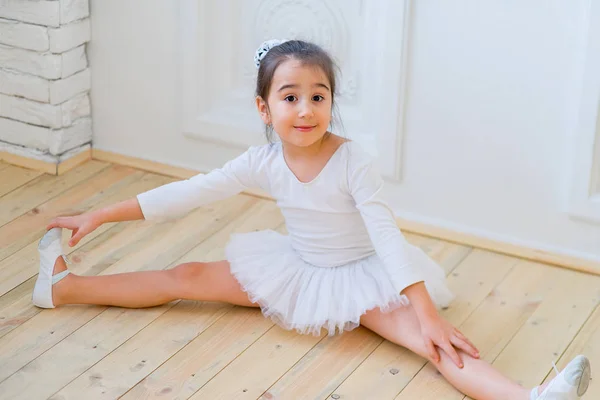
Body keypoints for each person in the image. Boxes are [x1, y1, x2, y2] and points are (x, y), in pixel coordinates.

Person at [35, 39, 590, 400]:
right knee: (184, 278)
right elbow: (186, 194)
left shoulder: (352, 161)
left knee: (430, 343)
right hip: (295, 266)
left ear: (332, 103)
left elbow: (387, 239)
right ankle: (65, 287)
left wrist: (426, 312)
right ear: (264, 107)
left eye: (318, 96)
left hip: (364, 276)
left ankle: (530, 398)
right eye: (290, 96)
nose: (305, 109)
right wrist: (99, 213)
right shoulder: (261, 161)